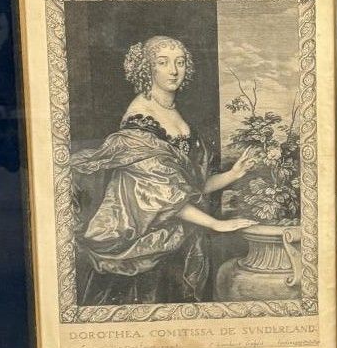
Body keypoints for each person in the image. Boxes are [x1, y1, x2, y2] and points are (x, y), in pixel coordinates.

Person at [71, 35, 256, 305]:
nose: (173, 70)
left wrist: (233, 175)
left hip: (177, 236)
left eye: (180, 62)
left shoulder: (171, 110)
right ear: (147, 67)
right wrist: (216, 223)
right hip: (143, 245)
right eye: (163, 62)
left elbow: (190, 188)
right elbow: (163, 195)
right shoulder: (139, 120)